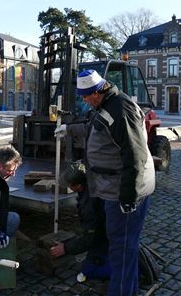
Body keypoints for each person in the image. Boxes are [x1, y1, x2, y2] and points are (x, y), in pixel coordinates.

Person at [55, 69, 155, 296]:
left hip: (124, 191)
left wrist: (129, 197)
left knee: (121, 248)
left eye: (85, 96)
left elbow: (135, 155)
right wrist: (68, 129)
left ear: (97, 92)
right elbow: (93, 128)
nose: (83, 100)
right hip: (111, 188)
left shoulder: (120, 109)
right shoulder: (104, 107)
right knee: (121, 246)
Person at [49, 162, 110, 283]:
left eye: (69, 185)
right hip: (104, 232)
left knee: (89, 270)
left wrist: (66, 248)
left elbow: (90, 237)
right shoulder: (90, 185)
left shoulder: (90, 205)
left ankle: (128, 266)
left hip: (107, 238)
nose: (68, 188)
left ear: (77, 186)